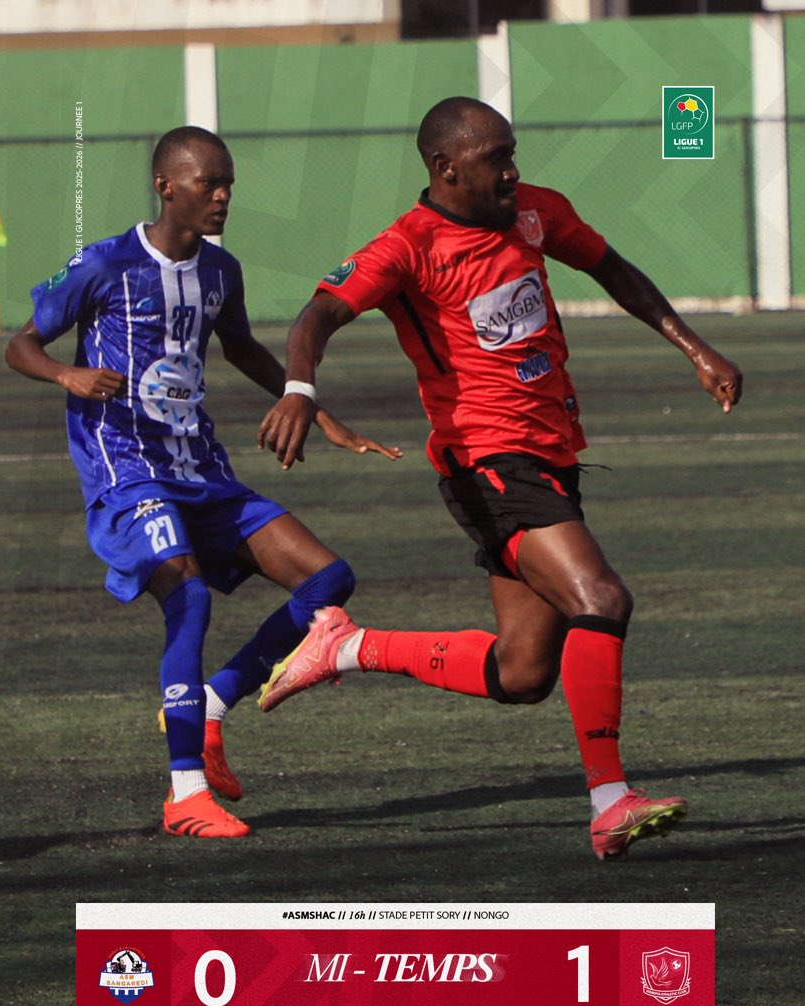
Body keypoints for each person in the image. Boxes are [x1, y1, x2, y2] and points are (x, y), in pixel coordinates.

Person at [255, 96, 743, 861]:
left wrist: (693, 346)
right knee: (600, 597)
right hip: (486, 463)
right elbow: (316, 317)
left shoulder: (535, 212)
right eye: (495, 159)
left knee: (522, 673)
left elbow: (611, 268)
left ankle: (349, 647)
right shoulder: (407, 247)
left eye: (512, 154)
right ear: (446, 168)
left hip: (549, 455)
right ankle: (609, 801)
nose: (512, 171)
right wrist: (298, 389)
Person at [5, 126, 401, 839]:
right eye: (207, 184)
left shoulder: (221, 270)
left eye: (228, 185)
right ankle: (185, 793)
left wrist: (315, 409)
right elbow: (20, 344)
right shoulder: (103, 263)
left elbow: (241, 346)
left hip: (200, 467)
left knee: (327, 579)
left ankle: (212, 705)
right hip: (126, 469)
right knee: (186, 594)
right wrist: (67, 374)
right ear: (165, 187)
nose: (222, 197)